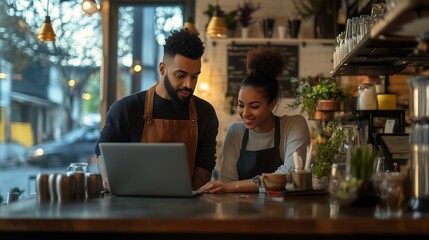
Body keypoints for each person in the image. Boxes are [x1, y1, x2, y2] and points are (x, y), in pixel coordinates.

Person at [95, 29, 219, 190]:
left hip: (186, 208)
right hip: (132, 206)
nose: (189, 84)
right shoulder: (126, 109)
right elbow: (102, 149)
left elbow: (205, 164)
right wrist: (108, 178)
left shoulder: (205, 113)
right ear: (162, 69)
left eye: (194, 76)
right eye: (181, 75)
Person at [200, 46, 310, 193]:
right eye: (240, 105)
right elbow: (227, 181)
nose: (245, 113)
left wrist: (235, 186)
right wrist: (229, 186)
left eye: (254, 106)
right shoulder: (235, 132)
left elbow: (289, 174)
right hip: (241, 211)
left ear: (271, 104)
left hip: (283, 211)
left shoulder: (293, 125)